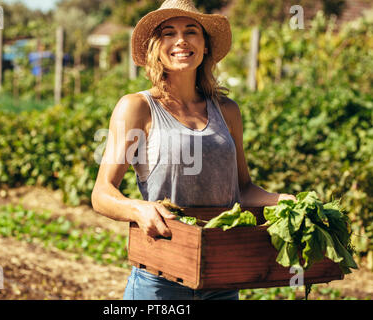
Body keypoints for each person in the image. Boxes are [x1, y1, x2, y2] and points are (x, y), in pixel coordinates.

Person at [91, 0, 296, 300]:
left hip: (222, 275)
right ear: (155, 46)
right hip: (161, 276)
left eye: (191, 32)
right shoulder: (137, 108)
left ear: (205, 45)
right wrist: (139, 208)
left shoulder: (227, 112)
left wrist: (283, 201)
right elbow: (101, 193)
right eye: (168, 33)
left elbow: (243, 189)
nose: (181, 41)